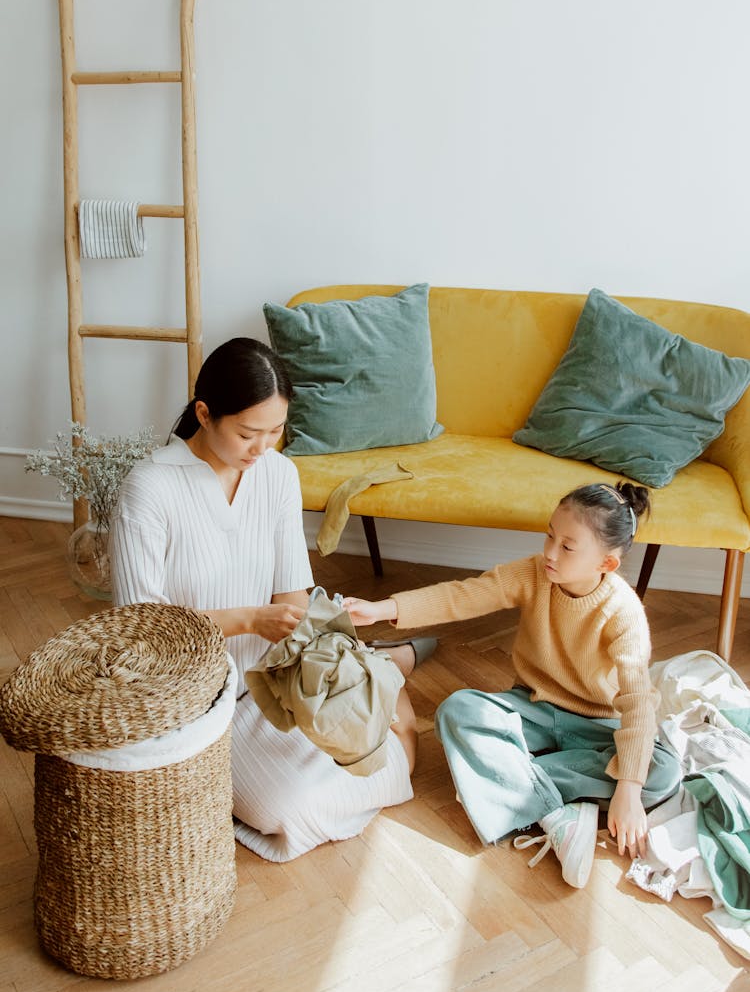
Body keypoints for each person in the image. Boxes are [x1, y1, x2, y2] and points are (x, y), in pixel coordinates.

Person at [110, 336, 433, 862]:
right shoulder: (150, 488)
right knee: (290, 808)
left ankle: (387, 679)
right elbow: (141, 632)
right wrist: (249, 619)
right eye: (247, 433)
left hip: (277, 681)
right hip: (193, 702)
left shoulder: (279, 475)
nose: (262, 448)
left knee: (375, 762)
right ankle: (391, 669)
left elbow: (291, 595)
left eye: (276, 431)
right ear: (204, 413)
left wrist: (317, 625)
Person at [343, 481, 682, 889]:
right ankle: (556, 814)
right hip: (532, 709)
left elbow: (638, 703)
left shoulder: (624, 612)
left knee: (662, 772)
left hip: (596, 725)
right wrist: (383, 609)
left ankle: (503, 784)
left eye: (568, 547)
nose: (550, 552)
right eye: (549, 535)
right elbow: (464, 595)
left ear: (606, 564)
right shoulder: (535, 574)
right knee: (458, 709)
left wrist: (629, 788)